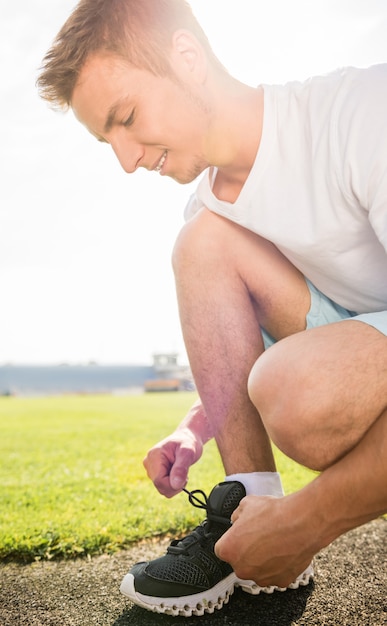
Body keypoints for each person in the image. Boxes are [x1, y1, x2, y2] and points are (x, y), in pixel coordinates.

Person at [37, 0, 387, 617]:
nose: (126, 160)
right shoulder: (209, 213)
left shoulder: (360, 112)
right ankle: (245, 514)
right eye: (106, 140)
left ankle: (281, 535)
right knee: (200, 244)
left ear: (188, 59)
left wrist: (306, 521)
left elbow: (300, 366)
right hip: (355, 341)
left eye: (126, 118)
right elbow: (262, 342)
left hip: (347, 366)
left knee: (294, 390)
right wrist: (193, 429)